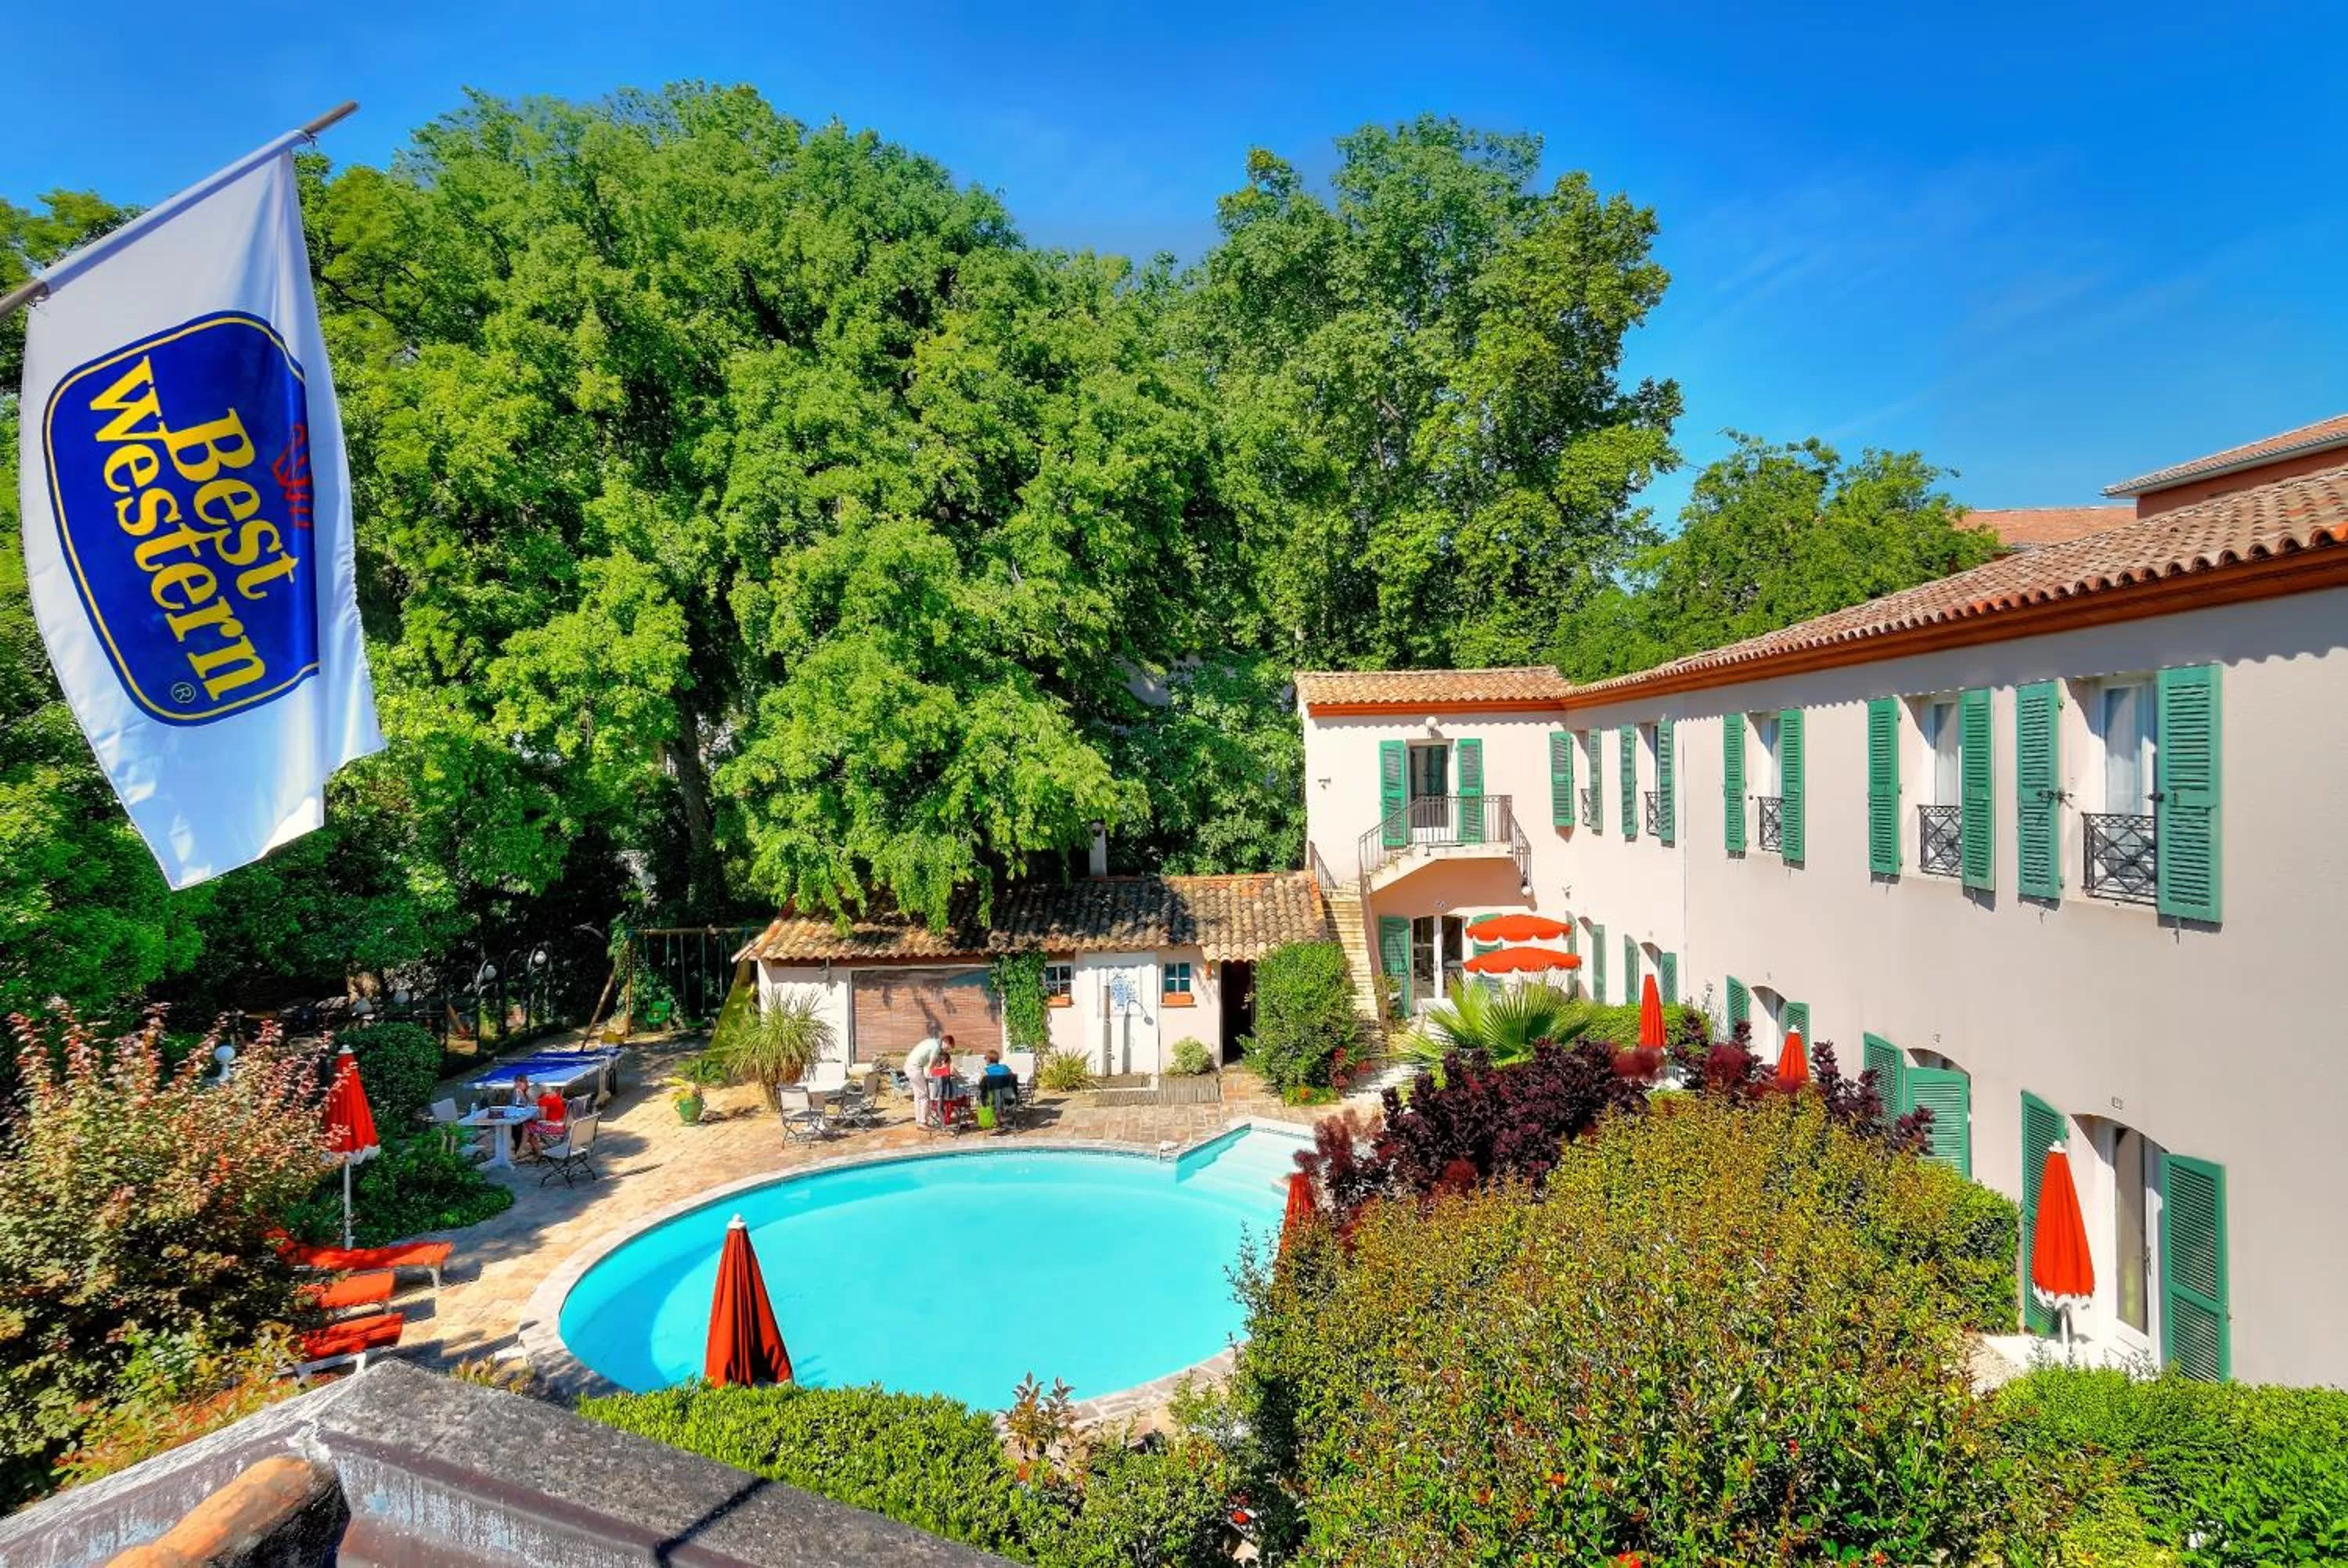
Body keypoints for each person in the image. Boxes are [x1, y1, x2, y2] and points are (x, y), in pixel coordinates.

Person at [902, 1030, 942, 1124]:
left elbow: (929, 1061)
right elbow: (931, 1062)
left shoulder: (929, 1043)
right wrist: (930, 1072)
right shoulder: (936, 1047)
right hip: (915, 1068)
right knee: (924, 1095)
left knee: (918, 1096)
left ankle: (919, 1120)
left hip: (908, 1066)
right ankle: (924, 1122)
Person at [521, 1081, 568, 1159]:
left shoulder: (543, 1100)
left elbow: (543, 1118)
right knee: (530, 1126)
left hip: (555, 1128)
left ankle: (524, 1151)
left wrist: (534, 1118)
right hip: (562, 1125)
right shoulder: (555, 1095)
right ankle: (532, 1151)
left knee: (527, 1127)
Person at [977, 1048, 1018, 1133]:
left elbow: (981, 1084)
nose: (985, 1060)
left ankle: (996, 1121)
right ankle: (999, 1119)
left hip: (991, 1099)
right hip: (1008, 1097)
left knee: (992, 1093)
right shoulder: (1005, 1068)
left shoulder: (986, 1071)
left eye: (985, 1058)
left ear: (989, 1059)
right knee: (998, 1093)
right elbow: (1013, 1079)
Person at [927, 1042, 960, 1131]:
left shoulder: (934, 1071)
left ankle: (942, 1123)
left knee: (940, 1107)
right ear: (948, 1061)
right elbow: (961, 1078)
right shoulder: (950, 1069)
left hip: (935, 1097)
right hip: (948, 1097)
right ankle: (944, 1124)